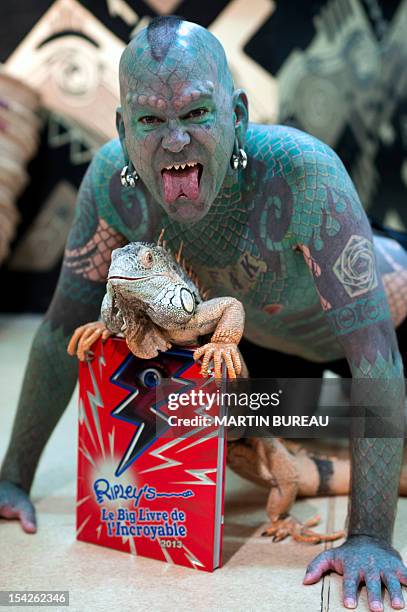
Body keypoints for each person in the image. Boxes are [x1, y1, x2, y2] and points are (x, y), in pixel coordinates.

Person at [1, 16, 407, 611]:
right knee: (219, 426)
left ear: (237, 116)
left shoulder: (302, 172)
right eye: (150, 120)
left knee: (363, 411)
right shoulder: (111, 189)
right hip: (278, 346)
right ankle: (331, 440)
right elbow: (61, 330)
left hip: (388, 333)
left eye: (196, 114)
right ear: (122, 127)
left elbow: (375, 355)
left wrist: (370, 537)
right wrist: (13, 476)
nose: (174, 141)